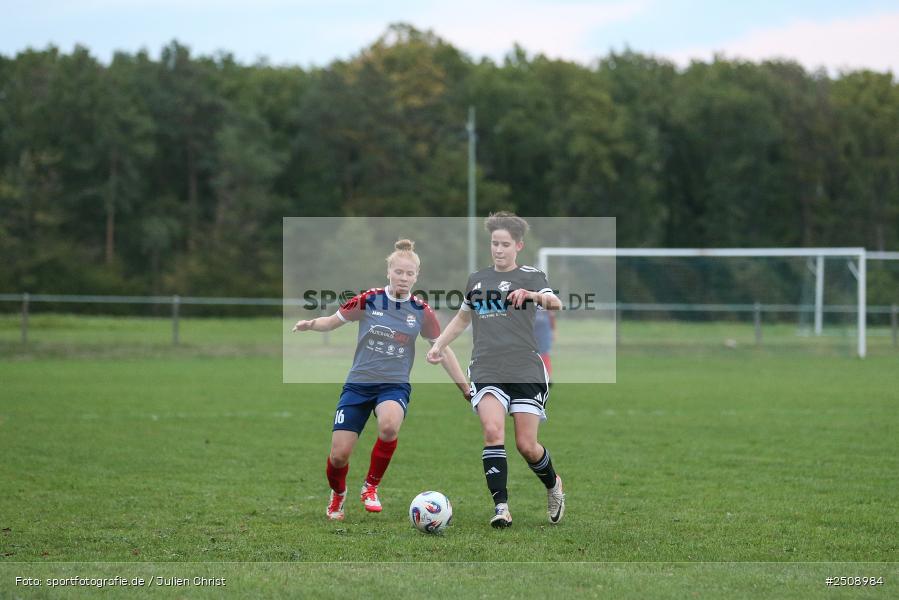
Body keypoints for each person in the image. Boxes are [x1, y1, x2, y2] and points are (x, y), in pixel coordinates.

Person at [292, 239, 469, 521]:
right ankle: (338, 494)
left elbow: (443, 349)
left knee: (389, 426)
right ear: (389, 271)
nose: (404, 277)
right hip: (359, 384)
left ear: (416, 276)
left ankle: (370, 486)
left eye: (409, 273)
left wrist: (464, 387)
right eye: (399, 272)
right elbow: (333, 321)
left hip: (394, 384)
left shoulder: (421, 311)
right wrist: (311, 324)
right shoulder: (368, 299)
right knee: (339, 456)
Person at [427, 212, 565, 528]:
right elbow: (462, 319)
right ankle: (501, 507)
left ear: (518, 245)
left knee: (526, 446)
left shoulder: (531, 275)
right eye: (494, 243)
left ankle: (553, 484)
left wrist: (531, 296)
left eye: (504, 244)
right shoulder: (477, 279)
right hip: (487, 366)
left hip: (525, 367)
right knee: (492, 431)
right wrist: (439, 344)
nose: (498, 249)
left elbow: (554, 303)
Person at [533, 307, 556, 381]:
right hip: (533, 332)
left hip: (544, 332)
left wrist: (553, 332)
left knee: (545, 355)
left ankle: (547, 377)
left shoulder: (546, 303)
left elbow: (552, 316)